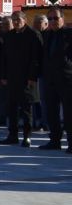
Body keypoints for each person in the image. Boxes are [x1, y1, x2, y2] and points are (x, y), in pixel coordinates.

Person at [0, 11, 43, 146]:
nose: (16, 22)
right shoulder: (10, 35)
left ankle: (27, 136)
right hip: (12, 78)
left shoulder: (33, 34)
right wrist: (4, 76)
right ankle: (12, 135)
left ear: (24, 20)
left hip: (27, 79)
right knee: (11, 108)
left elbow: (37, 58)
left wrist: (32, 77)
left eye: (18, 19)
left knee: (26, 110)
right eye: (14, 20)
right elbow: (4, 58)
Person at [39, 9, 71, 152]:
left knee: (69, 112)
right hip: (49, 79)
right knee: (51, 111)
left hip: (67, 79)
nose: (52, 21)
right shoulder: (46, 35)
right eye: (50, 18)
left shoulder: (69, 34)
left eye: (55, 18)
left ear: (62, 19)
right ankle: (54, 140)